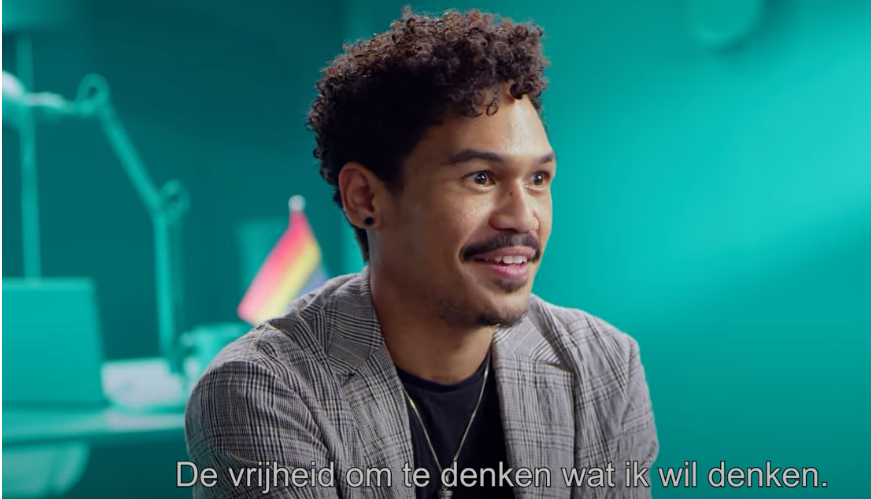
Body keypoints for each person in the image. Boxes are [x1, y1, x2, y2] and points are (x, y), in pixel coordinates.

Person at [184, 7, 658, 498]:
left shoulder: (601, 366)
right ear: (365, 198)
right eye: (481, 178)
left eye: (538, 178)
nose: (523, 217)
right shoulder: (262, 391)